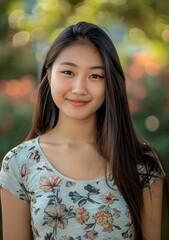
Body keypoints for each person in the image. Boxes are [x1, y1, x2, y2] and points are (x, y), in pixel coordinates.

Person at [0, 21, 167, 240]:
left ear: (111, 84)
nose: (79, 88)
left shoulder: (142, 164)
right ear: (49, 75)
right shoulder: (19, 163)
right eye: (68, 72)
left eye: (95, 76)